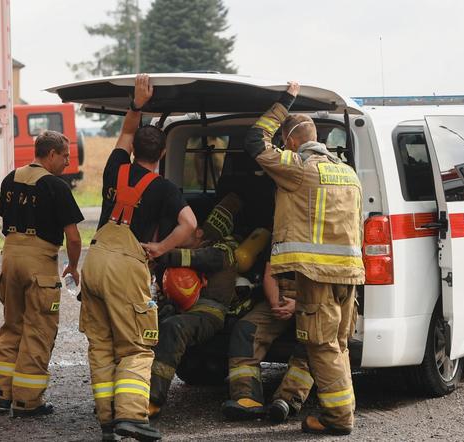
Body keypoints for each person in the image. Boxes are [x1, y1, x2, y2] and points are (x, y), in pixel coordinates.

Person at [79, 74, 197, 442]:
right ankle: (131, 417)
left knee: (101, 344)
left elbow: (127, 133)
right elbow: (190, 224)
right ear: (161, 154)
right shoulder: (164, 188)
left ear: (133, 151)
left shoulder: (115, 168)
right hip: (126, 264)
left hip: (95, 259)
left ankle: (106, 419)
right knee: (135, 345)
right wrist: (160, 249)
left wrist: (137, 102)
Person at [243, 82, 364, 435]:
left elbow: (255, 142)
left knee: (320, 345)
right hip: (349, 276)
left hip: (317, 276)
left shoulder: (298, 167)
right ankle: (341, 411)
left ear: (292, 141)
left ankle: (340, 419)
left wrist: (285, 102)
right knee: (336, 345)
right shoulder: (347, 173)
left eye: (284, 141)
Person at [0, 130, 84, 417]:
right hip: (39, 263)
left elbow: (6, 220)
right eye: (65, 156)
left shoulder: (10, 179)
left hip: (10, 257)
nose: (68, 162)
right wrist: (73, 265)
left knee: (12, 327)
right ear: (51, 154)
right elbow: (74, 236)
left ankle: (3, 393)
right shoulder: (56, 186)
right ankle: (27, 400)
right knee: (38, 329)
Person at [148, 193, 241, 417]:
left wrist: (164, 254)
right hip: (180, 309)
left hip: (208, 314)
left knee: (173, 329)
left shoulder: (226, 247)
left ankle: (152, 400)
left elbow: (206, 259)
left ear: (199, 231)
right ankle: (126, 395)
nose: (176, 236)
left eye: (183, 231)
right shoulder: (177, 250)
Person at [222, 261, 314, 423]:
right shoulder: (281, 235)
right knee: (246, 329)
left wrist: (299, 305)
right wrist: (275, 304)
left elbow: (329, 288)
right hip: (281, 297)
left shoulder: (325, 239)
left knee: (313, 337)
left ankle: (287, 399)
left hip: (315, 301)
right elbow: (270, 273)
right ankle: (247, 398)